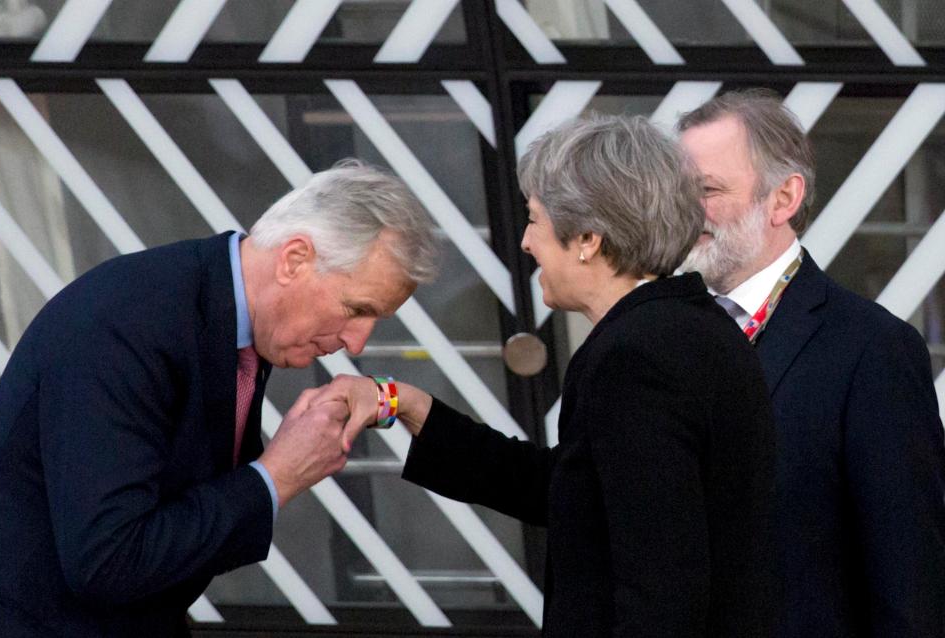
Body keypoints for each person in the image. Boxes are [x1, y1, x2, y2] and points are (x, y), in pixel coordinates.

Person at [312, 115, 777, 637]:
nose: (528, 242)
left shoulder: (637, 357)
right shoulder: (689, 329)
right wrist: (408, 406)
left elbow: (661, 582)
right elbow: (569, 487)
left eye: (534, 219)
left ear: (587, 239)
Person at [0, 160, 437, 637]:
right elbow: (109, 561)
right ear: (294, 260)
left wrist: (387, 402)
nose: (359, 341)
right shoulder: (128, 323)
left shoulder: (235, 316)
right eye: (356, 309)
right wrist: (276, 476)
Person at [677, 89, 945, 638]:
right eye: (678, 191)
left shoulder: (873, 350)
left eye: (706, 190)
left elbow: (909, 579)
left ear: (783, 199)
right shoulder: (664, 333)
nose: (685, 210)